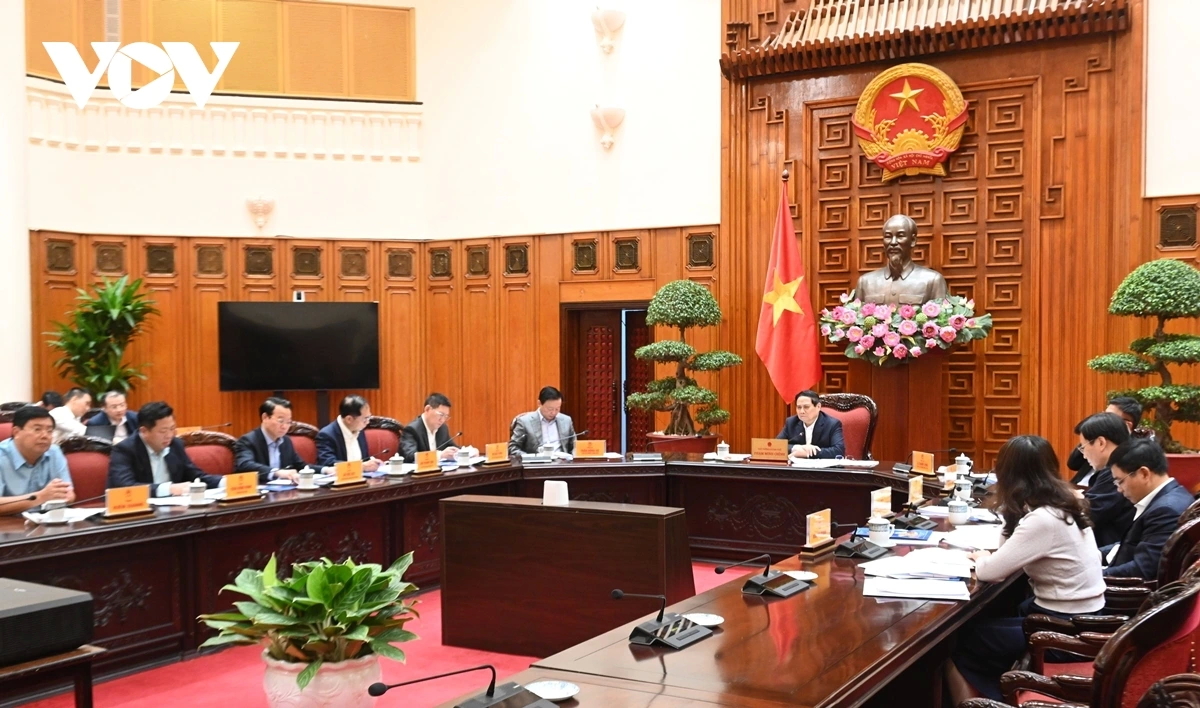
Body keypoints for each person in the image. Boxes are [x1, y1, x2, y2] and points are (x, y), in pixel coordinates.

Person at [946, 435, 1105, 704]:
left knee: (960, 641)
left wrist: (983, 557)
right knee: (994, 620)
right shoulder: (1065, 502)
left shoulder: (1043, 519)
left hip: (1061, 630)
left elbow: (991, 572)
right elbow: (1007, 554)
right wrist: (1012, 514)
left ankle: (988, 702)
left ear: (1007, 474)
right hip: (1080, 617)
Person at [1101, 438, 1194, 580]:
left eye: (1120, 481)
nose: (1119, 489)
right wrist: (1095, 554)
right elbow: (1133, 544)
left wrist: (1093, 576)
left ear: (1144, 474)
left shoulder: (1165, 511)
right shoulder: (1176, 495)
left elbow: (1143, 570)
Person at [107, 401, 223, 497]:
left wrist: (225, 482)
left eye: (172, 429)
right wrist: (168, 489)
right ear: (144, 431)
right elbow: (124, 487)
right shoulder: (124, 450)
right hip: (139, 512)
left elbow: (196, 477)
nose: (169, 435)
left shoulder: (175, 444)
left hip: (175, 510)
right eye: (163, 431)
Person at [852, 214, 949, 306]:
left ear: (913, 241)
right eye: (888, 236)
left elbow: (942, 316)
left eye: (900, 236)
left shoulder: (933, 280)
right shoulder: (865, 282)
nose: (893, 242)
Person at [0, 406, 74, 515]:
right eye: (37, 429)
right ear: (16, 432)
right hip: (8, 523)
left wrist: (65, 496)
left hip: (46, 521)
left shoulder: (54, 452)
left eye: (49, 431)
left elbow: (69, 495)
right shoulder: (2, 456)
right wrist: (41, 497)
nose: (45, 436)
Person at [1077, 412, 1134, 548]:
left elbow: (1089, 513)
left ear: (1101, 443)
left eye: (1083, 447)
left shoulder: (1117, 470)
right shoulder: (1122, 463)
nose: (1084, 456)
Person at [1068, 396, 1141, 486]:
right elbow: (1073, 464)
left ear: (1127, 426)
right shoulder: (1096, 440)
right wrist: (1088, 438)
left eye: (1110, 416)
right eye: (1104, 413)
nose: (1103, 418)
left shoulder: (1128, 457)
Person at [233, 398, 307, 483]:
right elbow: (245, 465)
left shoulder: (286, 441)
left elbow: (301, 466)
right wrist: (276, 472)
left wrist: (319, 470)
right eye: (281, 421)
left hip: (284, 489)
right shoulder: (248, 440)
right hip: (258, 488)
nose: (285, 426)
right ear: (265, 417)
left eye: (288, 422)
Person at [315, 395, 379, 471]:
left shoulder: (359, 429)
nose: (367, 422)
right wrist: (360, 467)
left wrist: (372, 463)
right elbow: (328, 463)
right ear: (349, 419)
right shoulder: (326, 435)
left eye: (369, 417)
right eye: (365, 418)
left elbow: (364, 459)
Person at [509, 386, 576, 457]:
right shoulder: (524, 422)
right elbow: (513, 448)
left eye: (557, 409)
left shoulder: (566, 420)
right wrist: (530, 457)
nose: (553, 412)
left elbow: (575, 446)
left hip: (562, 461)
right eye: (550, 409)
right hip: (537, 462)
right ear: (539, 403)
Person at [776, 390, 845, 459]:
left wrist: (808, 453)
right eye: (799, 407)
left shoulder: (832, 424)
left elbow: (839, 450)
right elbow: (776, 445)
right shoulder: (791, 422)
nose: (802, 411)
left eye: (806, 407)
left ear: (818, 407)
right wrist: (797, 448)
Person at [401, 393, 458, 462]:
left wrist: (465, 452)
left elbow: (452, 448)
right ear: (427, 409)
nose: (442, 420)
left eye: (446, 416)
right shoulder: (412, 430)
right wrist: (440, 455)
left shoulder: (443, 428)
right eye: (441, 415)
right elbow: (411, 457)